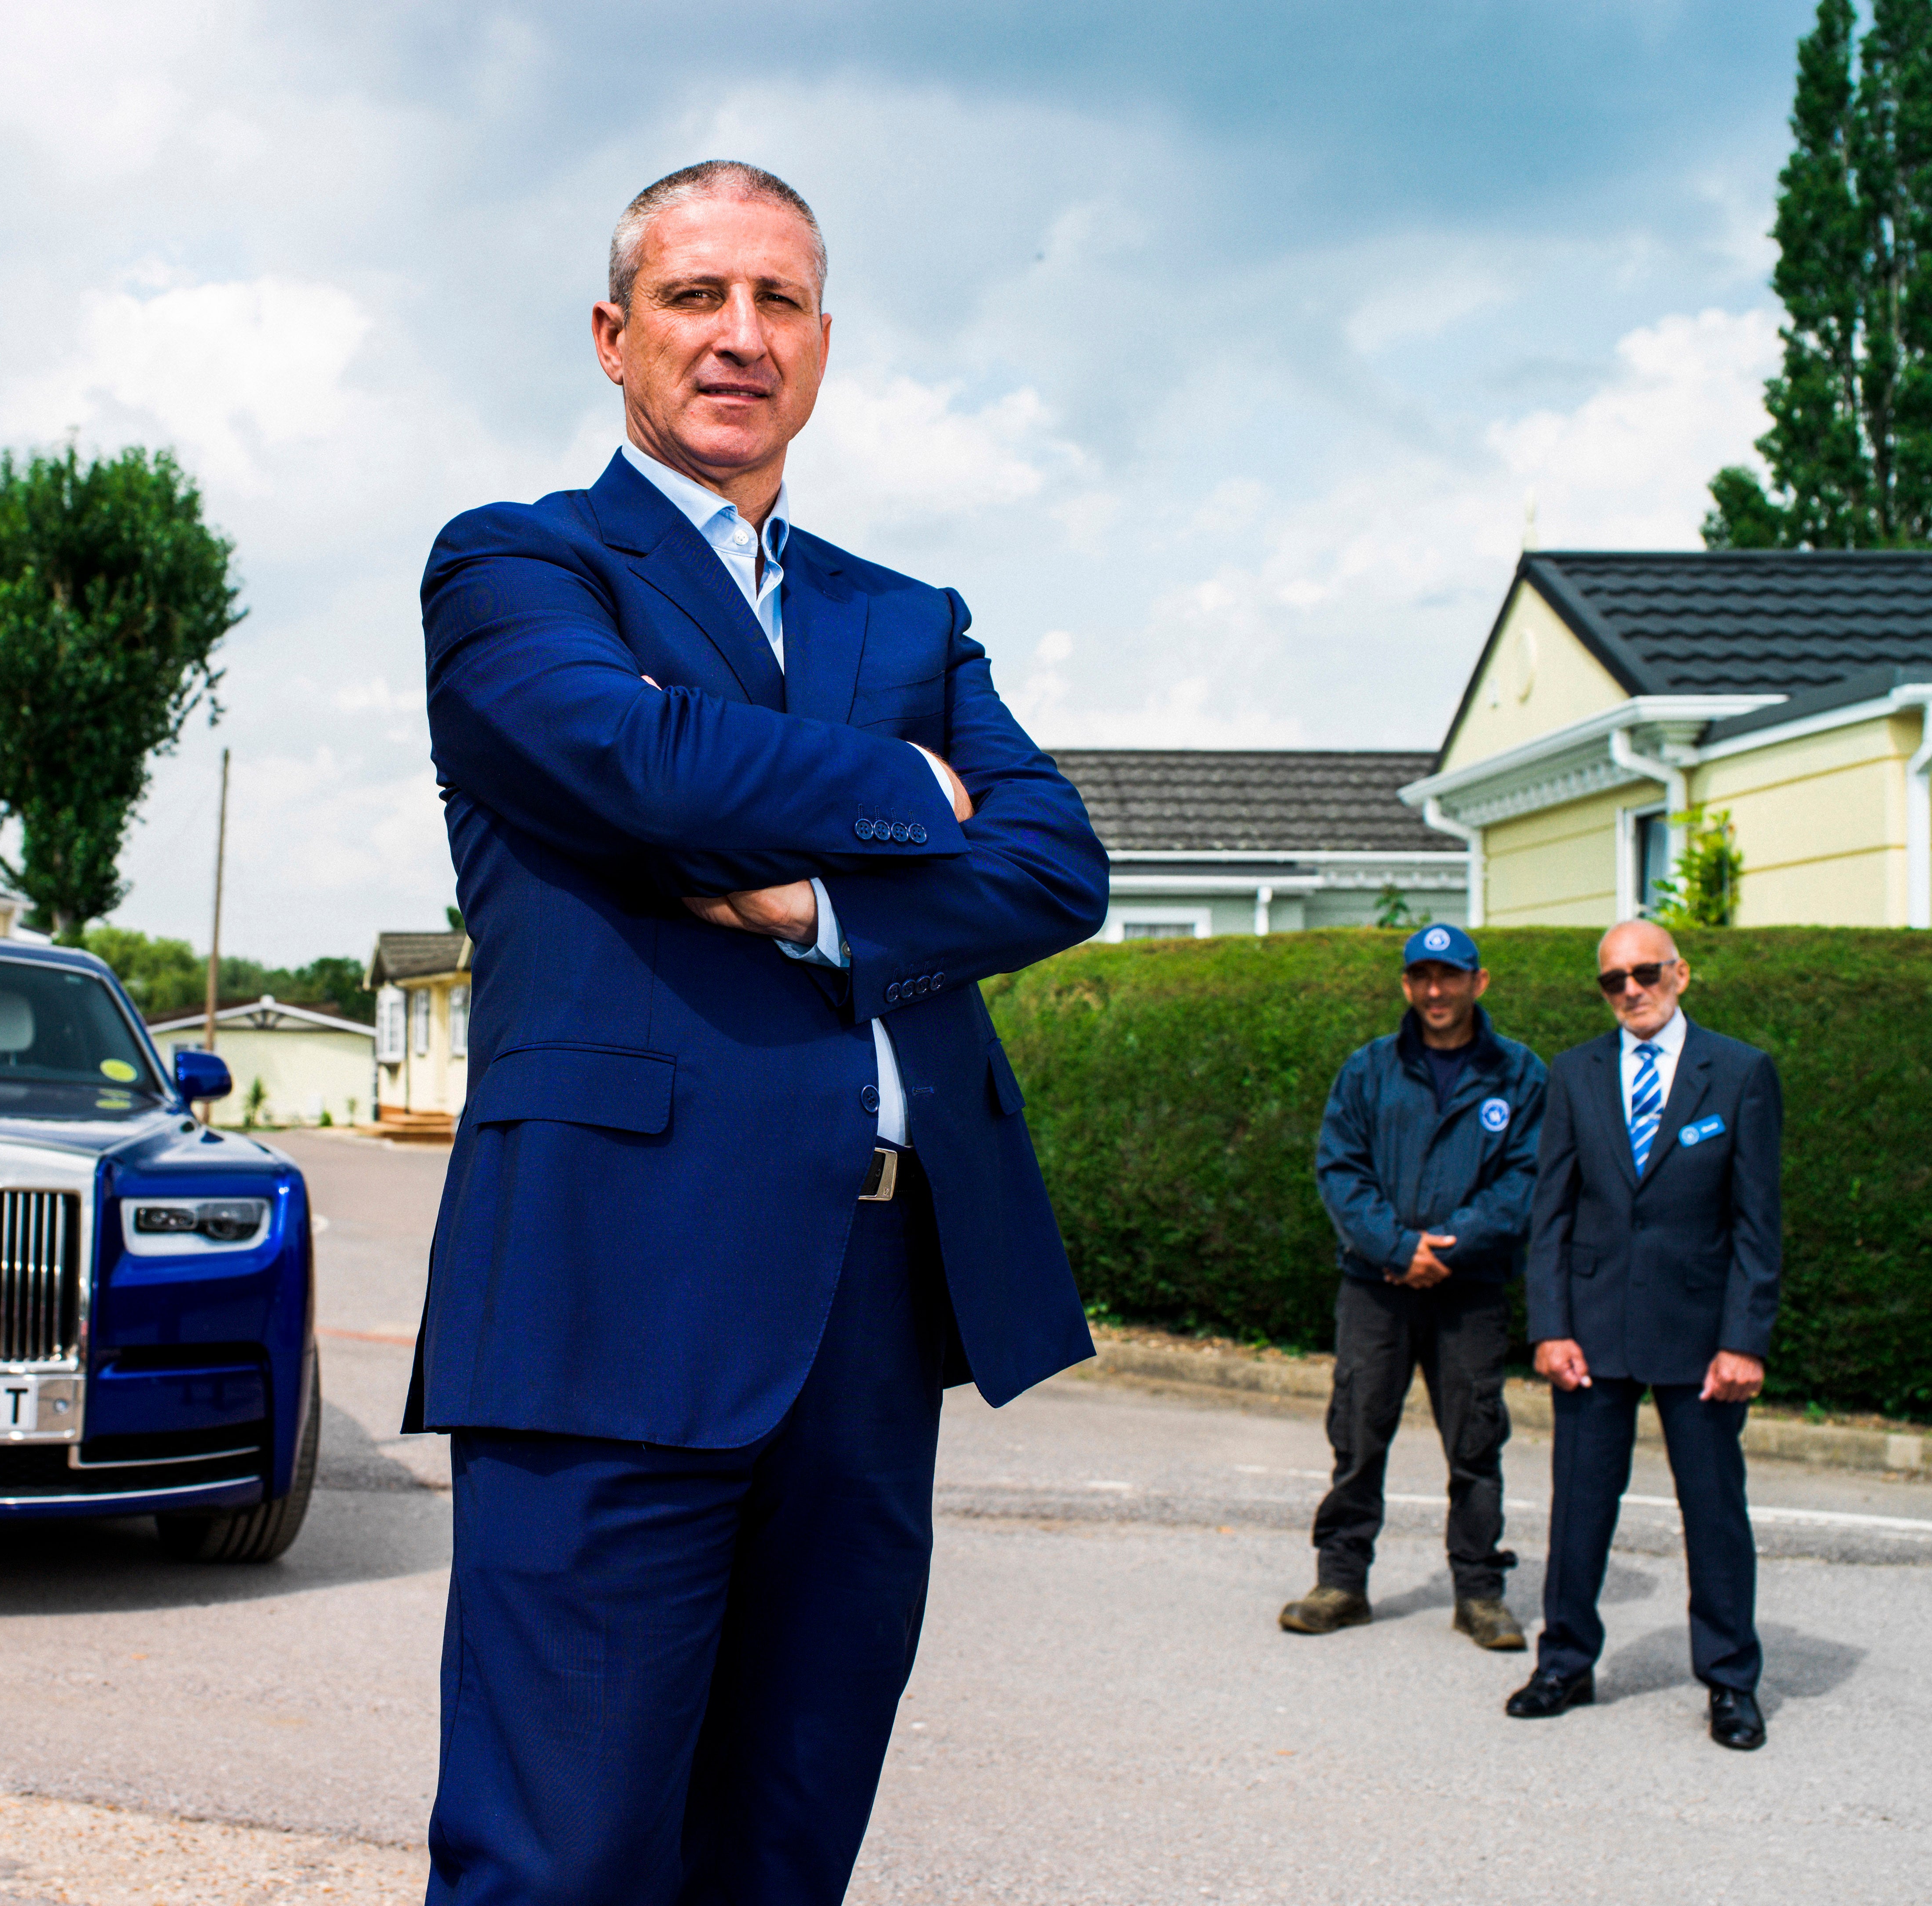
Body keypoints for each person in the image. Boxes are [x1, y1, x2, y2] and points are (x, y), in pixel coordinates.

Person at [409, 160, 1109, 1902]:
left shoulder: (906, 614)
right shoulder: (518, 566)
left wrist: (811, 896)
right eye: (696, 296)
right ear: (612, 333)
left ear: (822, 342)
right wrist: (907, 787)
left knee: (785, 1850)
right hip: (611, 1285)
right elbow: (624, 759)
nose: (739, 336)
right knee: (560, 1860)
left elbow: (1055, 864)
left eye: (777, 301)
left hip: (876, 1307)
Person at [1505, 920, 1781, 1751]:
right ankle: (1564, 1662)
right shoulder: (1575, 1073)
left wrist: (1744, 1340)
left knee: (1713, 1513)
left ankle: (1729, 1680)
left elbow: (1757, 1227)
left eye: (1645, 972)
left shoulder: (1738, 1074)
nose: (1630, 989)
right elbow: (1549, 1215)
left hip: (1700, 1341)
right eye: (1612, 979)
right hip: (1591, 1334)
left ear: (1680, 973)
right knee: (1579, 1509)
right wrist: (1549, 1327)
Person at [1280, 924, 1546, 1651]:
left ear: (1477, 982)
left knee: (1475, 1443)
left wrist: (1447, 1248)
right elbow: (1340, 1169)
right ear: (1405, 985)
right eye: (1422, 977)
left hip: (1471, 1291)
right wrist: (1398, 1248)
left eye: (1450, 976)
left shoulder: (1519, 1074)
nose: (1436, 991)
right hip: (1376, 1287)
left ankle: (1479, 1592)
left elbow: (1524, 1180)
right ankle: (1341, 1581)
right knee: (1358, 1436)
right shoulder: (1367, 1071)